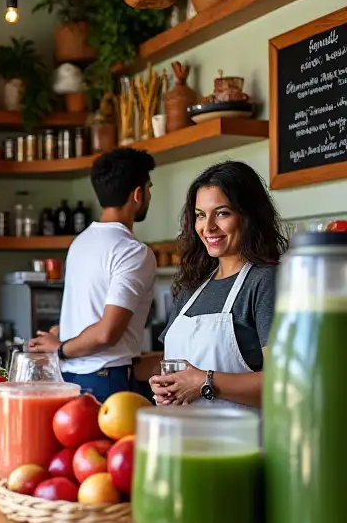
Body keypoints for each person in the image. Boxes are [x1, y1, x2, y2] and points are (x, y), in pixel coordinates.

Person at [149, 161, 287, 409]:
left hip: (240, 443)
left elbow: (284, 384)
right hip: (184, 437)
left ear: (249, 216)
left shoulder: (265, 280)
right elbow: (175, 366)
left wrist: (205, 382)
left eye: (222, 213)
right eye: (201, 215)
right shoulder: (191, 287)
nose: (208, 227)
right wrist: (166, 386)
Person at [29, 147, 156, 401]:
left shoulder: (80, 242)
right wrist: (61, 348)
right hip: (107, 380)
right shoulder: (133, 251)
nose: (150, 195)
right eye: (149, 188)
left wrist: (62, 343)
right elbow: (107, 332)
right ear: (138, 194)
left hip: (69, 379)